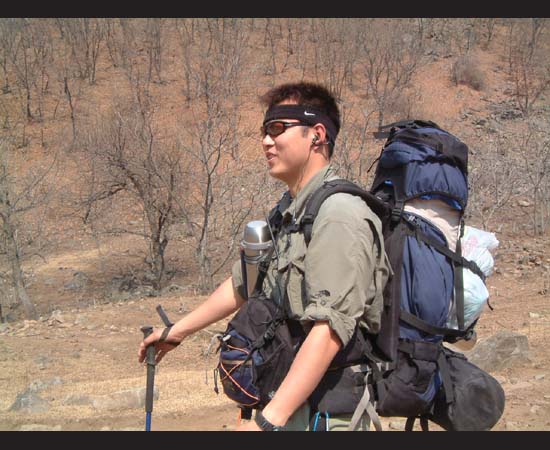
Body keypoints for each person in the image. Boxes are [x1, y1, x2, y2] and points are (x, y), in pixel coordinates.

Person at [138, 82, 391, 431]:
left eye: (278, 129)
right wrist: (177, 332)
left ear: (317, 135)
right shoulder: (289, 212)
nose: (266, 142)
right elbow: (246, 283)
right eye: (264, 131)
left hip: (326, 415)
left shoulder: (340, 215)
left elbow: (330, 329)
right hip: (287, 404)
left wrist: (267, 423)